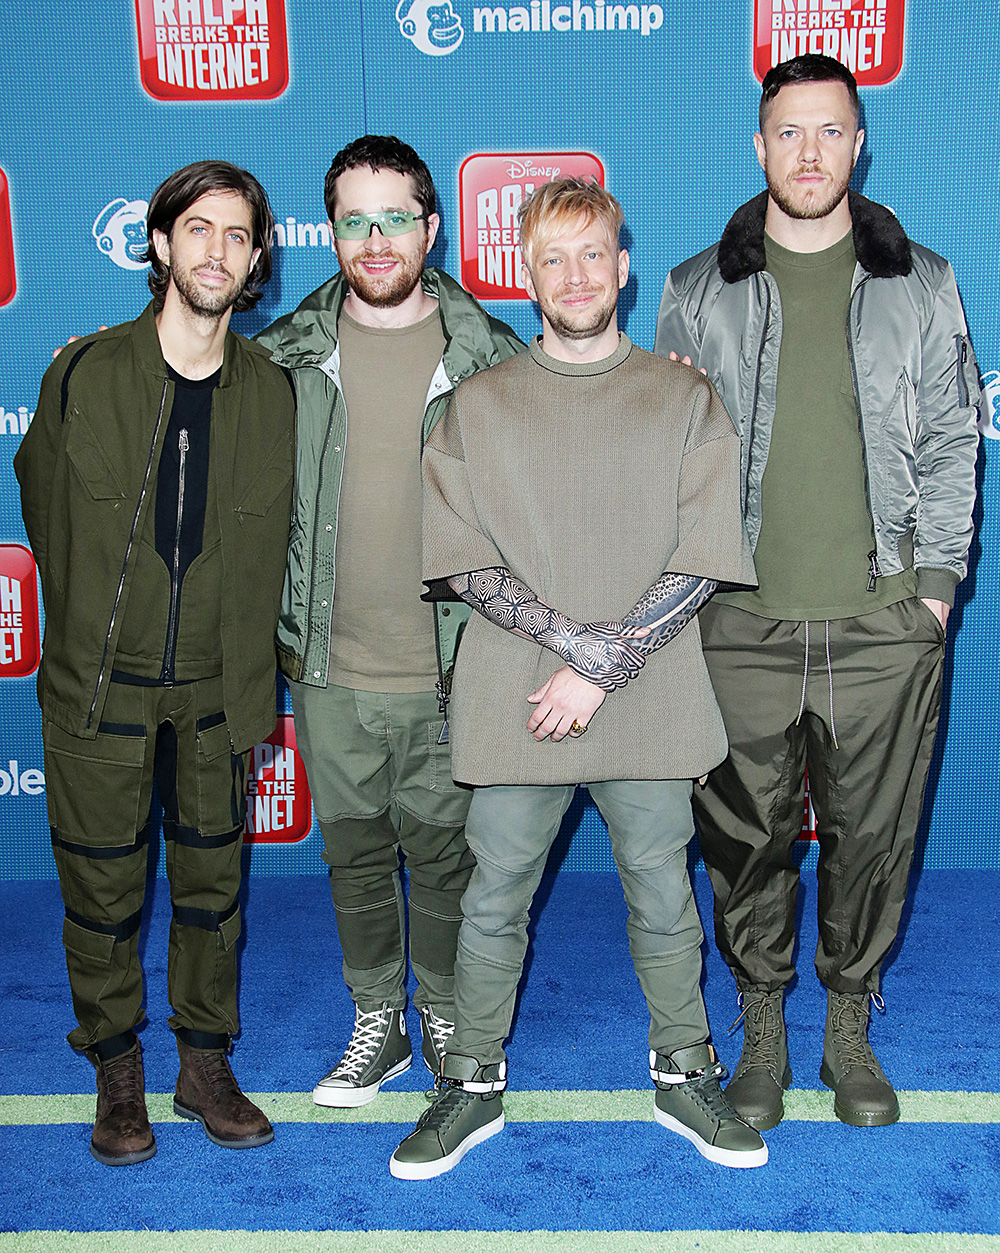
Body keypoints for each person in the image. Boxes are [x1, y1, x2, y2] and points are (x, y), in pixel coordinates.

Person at [390, 177, 767, 1181]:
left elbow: (703, 555)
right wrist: (574, 651)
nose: (574, 274)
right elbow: (463, 560)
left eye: (592, 252)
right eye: (551, 256)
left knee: (662, 891)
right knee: (493, 896)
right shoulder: (475, 405)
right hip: (520, 695)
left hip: (643, 693)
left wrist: (596, 670)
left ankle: (683, 1069)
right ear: (523, 272)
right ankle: (468, 1083)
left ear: (622, 263)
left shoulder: (685, 398)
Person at [654, 54, 981, 1131]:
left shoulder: (920, 281)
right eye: (787, 132)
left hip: (883, 621)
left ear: (858, 144)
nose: (807, 152)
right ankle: (760, 1027)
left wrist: (932, 591)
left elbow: (947, 441)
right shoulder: (697, 288)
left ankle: (848, 1024)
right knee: (743, 836)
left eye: (828, 132)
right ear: (758, 147)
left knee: (872, 834)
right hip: (738, 620)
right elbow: (667, 456)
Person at [15, 161, 295, 1165]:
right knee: (100, 890)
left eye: (237, 234)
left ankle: (203, 1061)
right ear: (161, 243)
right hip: (101, 687)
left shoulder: (276, 393)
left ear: (258, 257)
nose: (216, 249)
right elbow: (45, 511)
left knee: (214, 888)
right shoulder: (82, 375)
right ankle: (116, 1067)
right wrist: (104, 622)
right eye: (198, 228)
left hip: (222, 689)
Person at [255, 136, 522, 1107]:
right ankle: (380, 1018)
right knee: (355, 855)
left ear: (431, 225)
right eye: (353, 220)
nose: (374, 240)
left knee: (446, 855)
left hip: (449, 665)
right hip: (328, 667)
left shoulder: (492, 357)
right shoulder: (280, 357)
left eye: (394, 217)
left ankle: (444, 1007)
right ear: (329, 231)